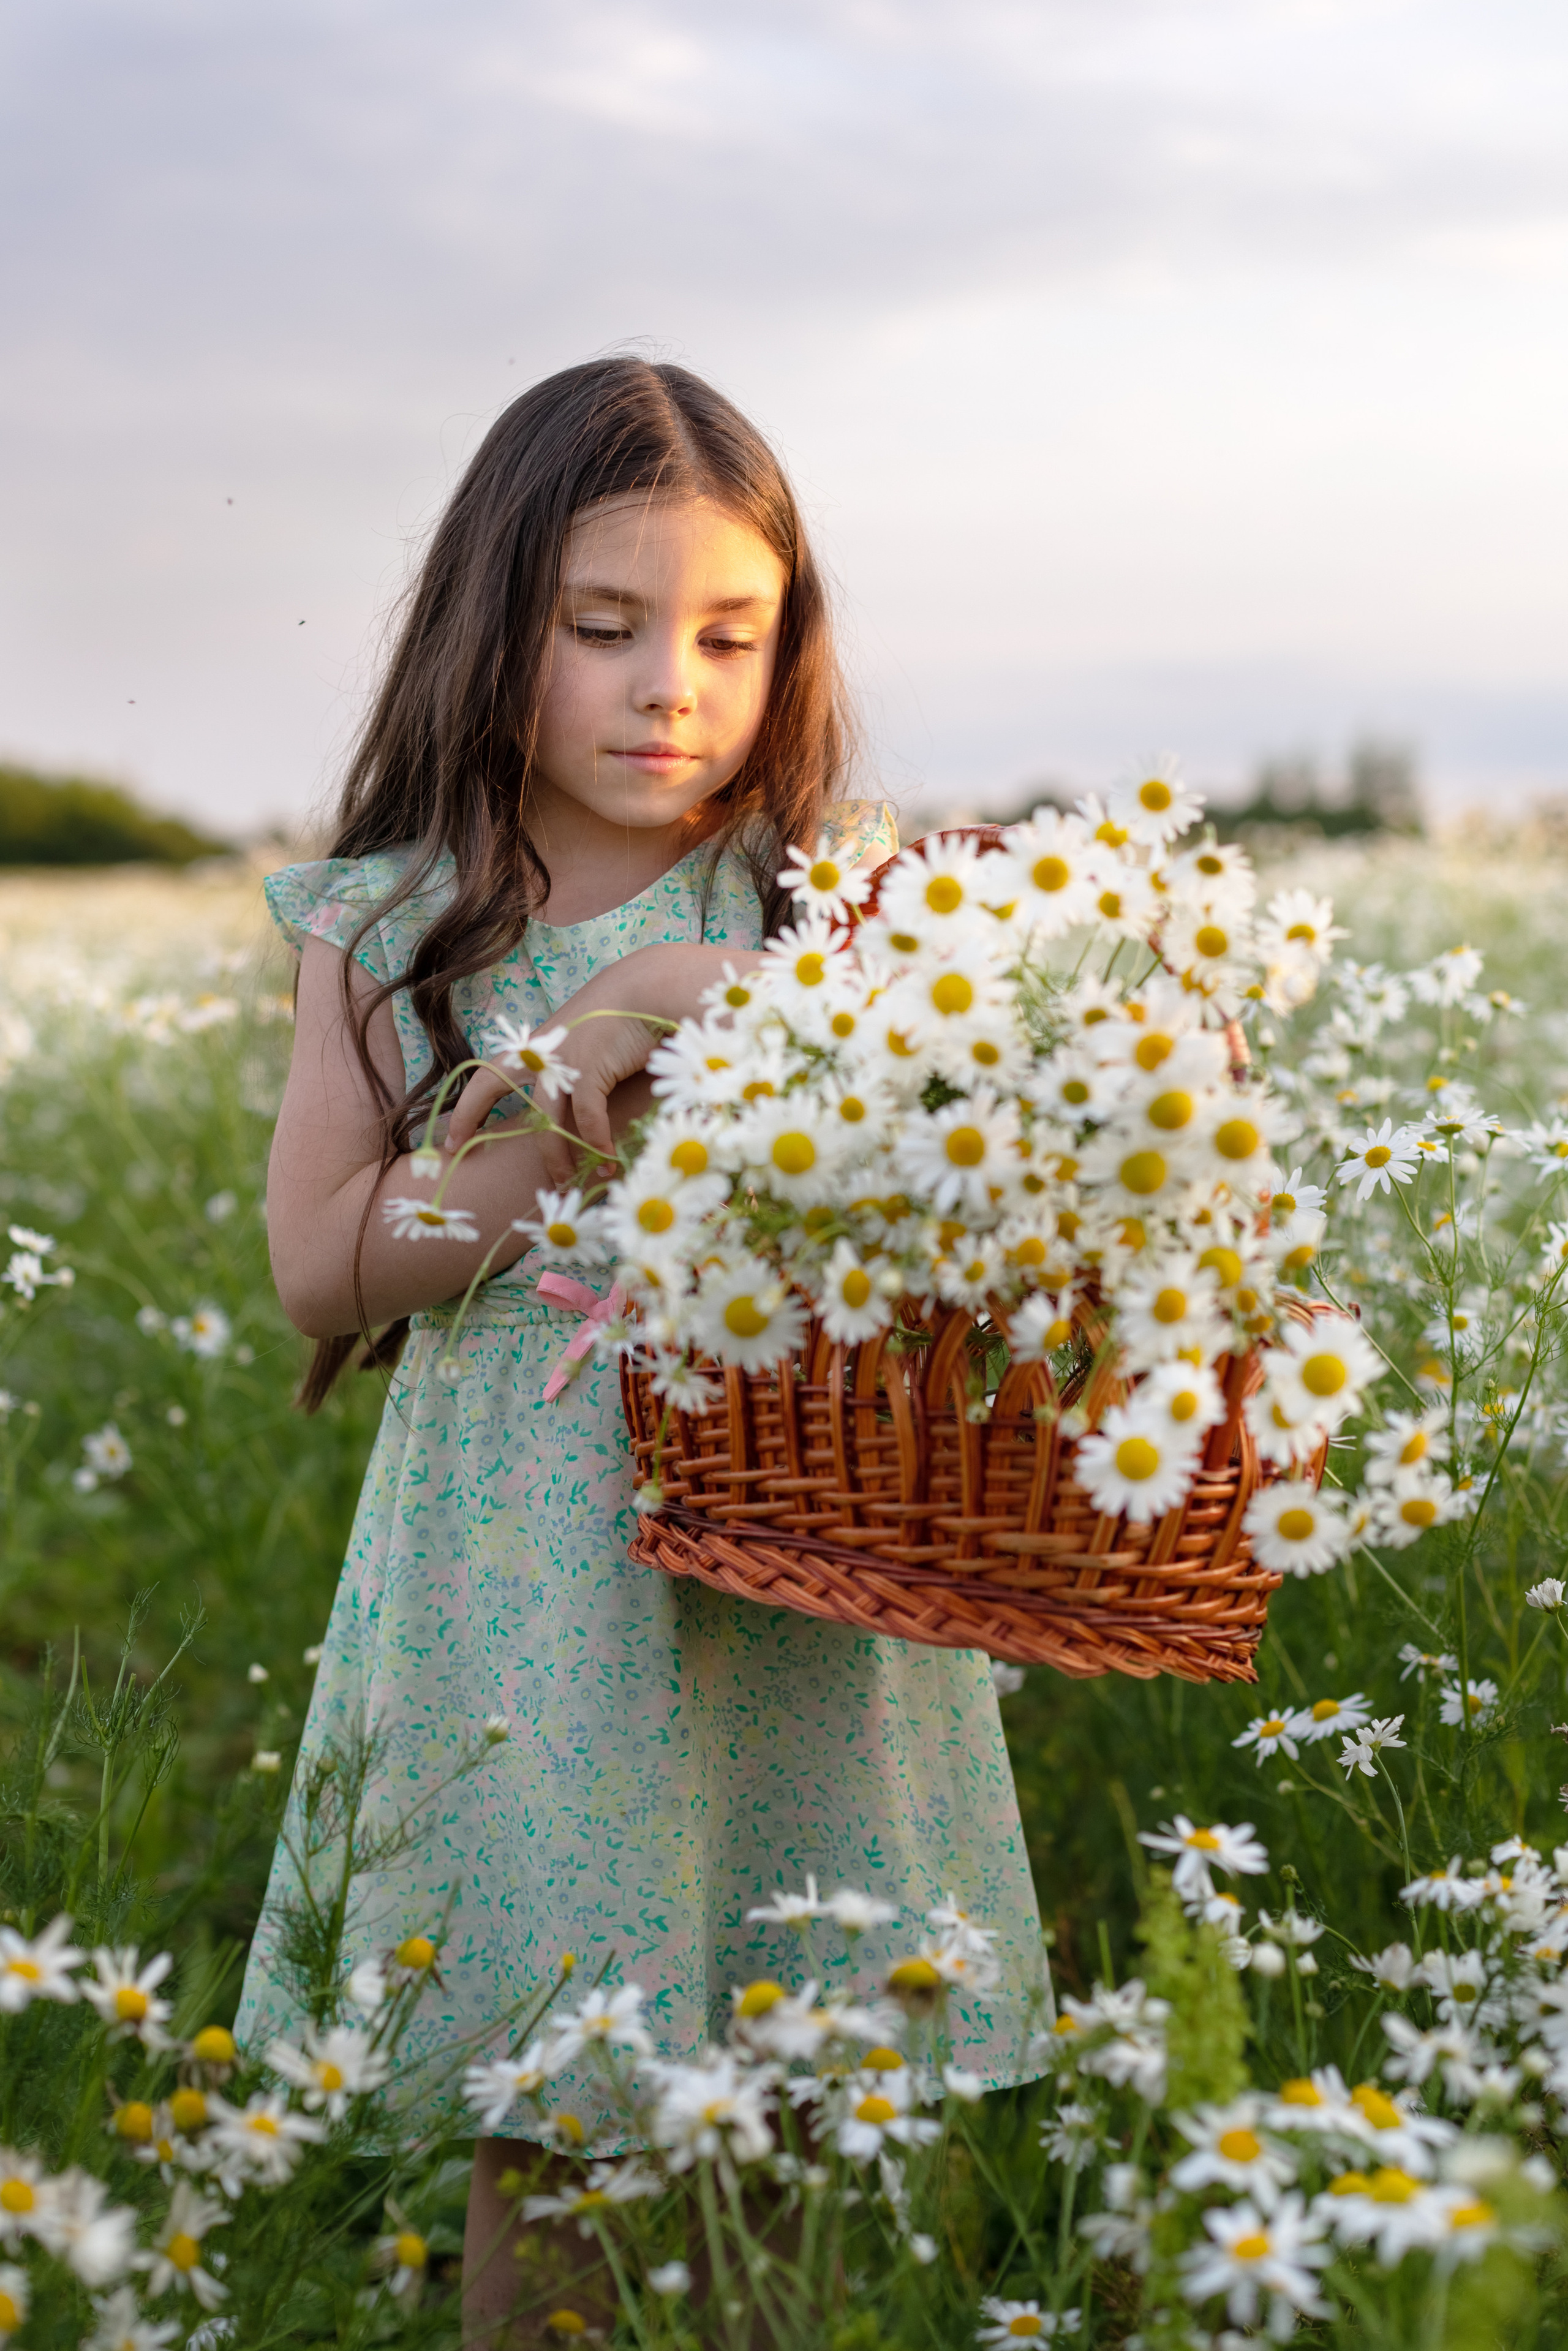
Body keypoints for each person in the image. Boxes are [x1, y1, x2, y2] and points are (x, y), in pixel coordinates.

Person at [236, 357, 1045, 2330]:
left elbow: (953, 1202)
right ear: (487, 624)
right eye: (601, 630)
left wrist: (733, 997)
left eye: (725, 635)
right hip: (528, 1590)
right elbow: (327, 1266)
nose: (665, 685)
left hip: (788, 1570)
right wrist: (576, 1070)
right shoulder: (399, 915)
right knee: (563, 2103)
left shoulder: (819, 911)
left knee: (785, 2095)